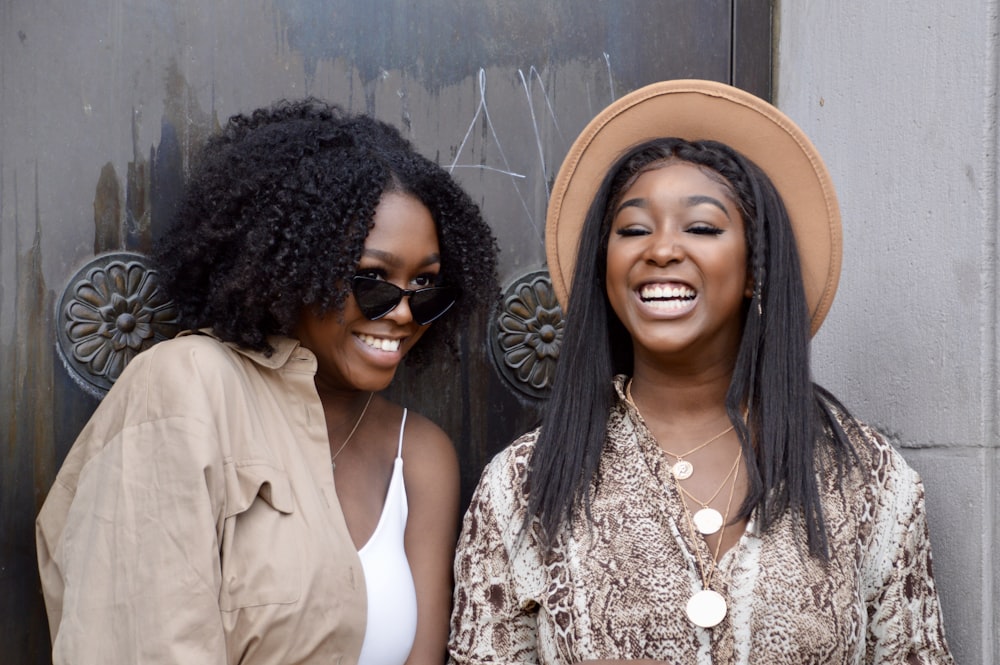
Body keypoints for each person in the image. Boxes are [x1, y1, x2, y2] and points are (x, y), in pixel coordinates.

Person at [448, 80, 954, 664]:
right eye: (633, 230)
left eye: (702, 228)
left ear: (754, 272)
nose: (661, 249)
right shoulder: (523, 487)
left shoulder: (868, 482)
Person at [36, 98, 498, 665]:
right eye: (373, 280)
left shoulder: (421, 456)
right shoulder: (188, 386)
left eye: (426, 286)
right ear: (292, 268)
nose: (402, 313)